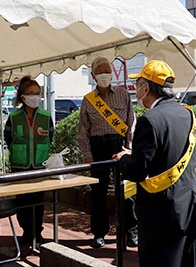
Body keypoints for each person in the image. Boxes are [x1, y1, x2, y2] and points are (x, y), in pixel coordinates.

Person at [113, 60, 196, 267]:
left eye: (137, 85)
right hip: (191, 210)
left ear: (146, 88)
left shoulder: (150, 119)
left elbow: (137, 172)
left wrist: (124, 159)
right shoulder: (188, 113)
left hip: (163, 217)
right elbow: (171, 155)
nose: (135, 90)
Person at [78, 57, 137, 249]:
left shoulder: (124, 95)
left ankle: (131, 231)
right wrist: (87, 154)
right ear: (94, 76)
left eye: (108, 71)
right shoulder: (88, 100)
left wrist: (129, 148)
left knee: (126, 190)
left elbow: (131, 125)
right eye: (101, 71)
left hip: (119, 146)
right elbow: (83, 131)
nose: (105, 74)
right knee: (98, 192)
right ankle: (99, 233)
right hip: (98, 148)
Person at [4, 76, 54, 246]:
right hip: (20, 165)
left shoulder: (46, 116)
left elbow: (51, 136)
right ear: (23, 96)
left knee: (38, 201)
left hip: (40, 164)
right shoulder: (14, 116)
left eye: (37, 93)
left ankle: (37, 232)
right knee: (23, 201)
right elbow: (8, 137)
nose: (35, 97)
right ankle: (26, 231)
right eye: (31, 93)